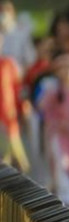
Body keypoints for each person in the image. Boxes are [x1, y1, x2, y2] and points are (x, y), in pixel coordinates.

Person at [39, 54, 69, 206]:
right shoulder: (54, 91)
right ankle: (65, 194)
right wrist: (57, 124)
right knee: (61, 162)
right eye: (62, 68)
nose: (66, 72)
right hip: (58, 134)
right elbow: (45, 109)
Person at [0, 33, 29, 172]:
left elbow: (18, 89)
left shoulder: (8, 64)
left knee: (18, 163)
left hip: (9, 120)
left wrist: (23, 109)